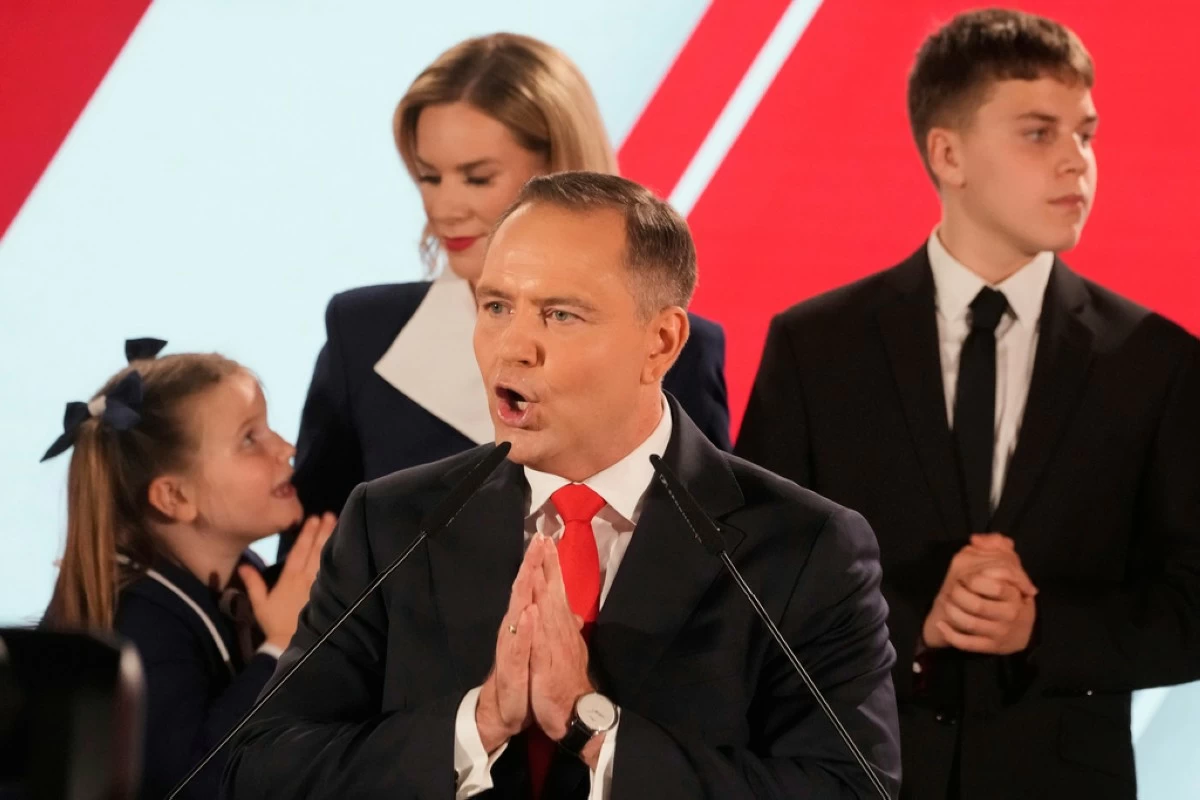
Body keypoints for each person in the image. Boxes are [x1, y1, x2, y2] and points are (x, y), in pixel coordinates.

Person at [224, 172, 900, 799]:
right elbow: (264, 765)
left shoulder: (805, 548)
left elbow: (850, 789)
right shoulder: (391, 522)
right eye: (495, 306)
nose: (511, 347)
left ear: (660, 344)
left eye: (560, 315)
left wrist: (597, 733)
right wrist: (479, 724)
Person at [736, 9, 1200, 799]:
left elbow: (1191, 603)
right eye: (1038, 133)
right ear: (946, 152)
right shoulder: (817, 348)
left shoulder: (1156, 361)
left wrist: (1040, 632)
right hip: (859, 776)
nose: (1076, 164)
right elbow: (753, 577)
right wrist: (916, 623)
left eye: (1084, 133)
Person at [282, 33, 730, 560]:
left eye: (477, 178)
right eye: (429, 176)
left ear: (559, 169)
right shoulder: (363, 334)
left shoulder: (677, 346)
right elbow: (310, 558)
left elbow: (714, 549)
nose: (444, 207)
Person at [39, 340, 335, 799]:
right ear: (174, 497)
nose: (287, 448)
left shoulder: (238, 575)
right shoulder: (136, 625)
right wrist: (279, 647)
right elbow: (192, 786)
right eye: (249, 439)